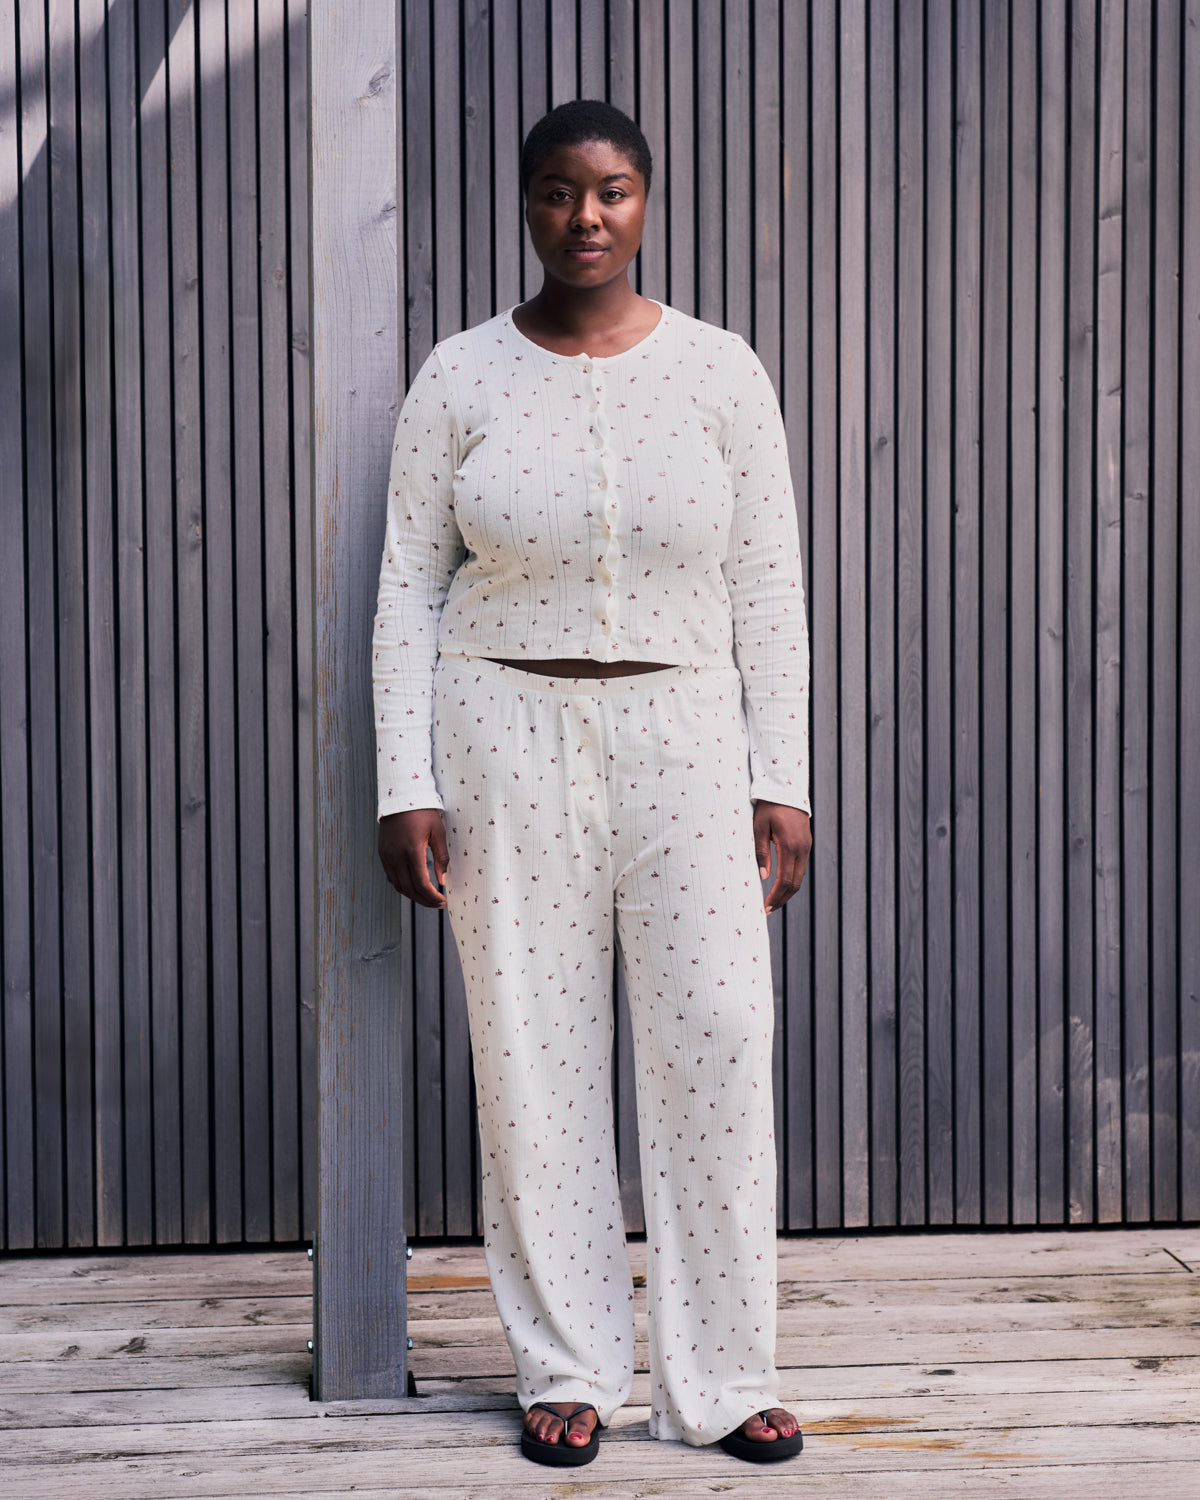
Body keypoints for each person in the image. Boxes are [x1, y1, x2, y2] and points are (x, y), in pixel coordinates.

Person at [374, 99, 811, 1468]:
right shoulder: (459, 379)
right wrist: (407, 778)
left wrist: (781, 776)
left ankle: (725, 1376)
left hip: (688, 739)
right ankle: (565, 1364)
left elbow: (768, 587)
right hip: (503, 737)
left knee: (723, 1048)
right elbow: (405, 586)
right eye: (559, 192)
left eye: (611, 192)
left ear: (644, 202)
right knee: (533, 1063)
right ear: (525, 202)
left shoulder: (722, 373)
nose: (586, 218)